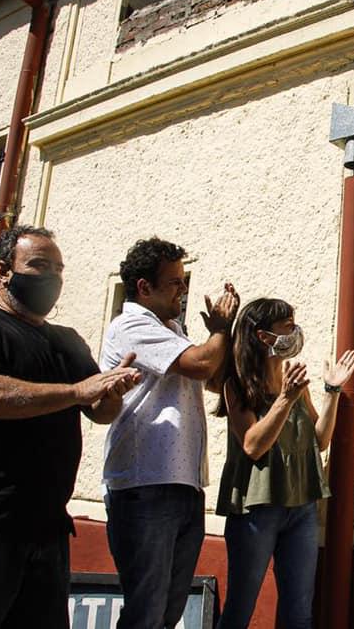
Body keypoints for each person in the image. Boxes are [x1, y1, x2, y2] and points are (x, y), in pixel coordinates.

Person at [0, 225, 141, 629]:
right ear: (3, 271)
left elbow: (98, 409)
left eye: (59, 269)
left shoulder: (66, 341)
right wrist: (79, 390)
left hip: (46, 533)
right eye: (39, 265)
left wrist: (112, 391)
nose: (52, 277)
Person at [100, 237, 238, 629]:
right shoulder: (131, 326)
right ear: (144, 288)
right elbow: (199, 364)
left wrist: (226, 338)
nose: (183, 288)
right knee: (146, 610)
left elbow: (211, 375)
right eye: (175, 281)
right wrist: (221, 330)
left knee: (168, 611)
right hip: (145, 485)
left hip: (182, 484)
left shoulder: (173, 328)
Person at [214, 298, 354, 629]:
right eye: (288, 327)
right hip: (257, 510)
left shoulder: (293, 381)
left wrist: (331, 391)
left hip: (301, 506)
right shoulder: (236, 384)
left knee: (298, 612)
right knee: (240, 609)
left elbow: (319, 441)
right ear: (263, 336)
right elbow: (252, 445)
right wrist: (284, 399)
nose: (295, 333)